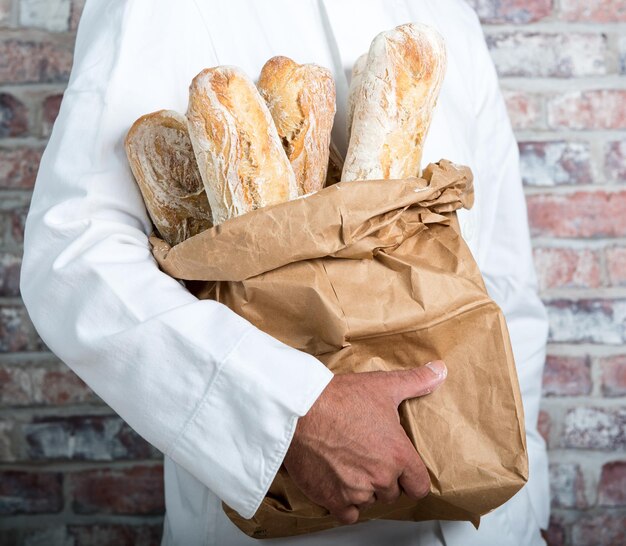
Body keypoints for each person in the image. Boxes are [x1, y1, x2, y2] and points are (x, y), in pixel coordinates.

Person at [19, 0, 550, 544]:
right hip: (298, 522)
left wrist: (529, 504)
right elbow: (74, 252)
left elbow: (504, 278)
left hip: (493, 525)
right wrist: (293, 412)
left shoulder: (446, 15)